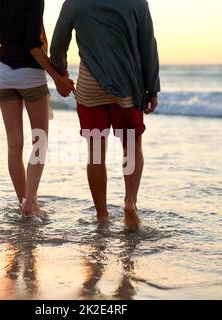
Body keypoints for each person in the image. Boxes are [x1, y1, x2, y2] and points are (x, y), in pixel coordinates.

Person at [50, 0, 160, 231]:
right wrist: (152, 88)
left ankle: (102, 216)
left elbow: (58, 44)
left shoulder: (74, 3)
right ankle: (130, 201)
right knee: (132, 146)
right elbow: (147, 47)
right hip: (128, 86)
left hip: (90, 85)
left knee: (96, 153)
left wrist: (60, 73)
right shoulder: (138, 3)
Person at [0, 0, 75, 217]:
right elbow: (33, 44)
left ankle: (23, 201)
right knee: (39, 141)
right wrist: (58, 78)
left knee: (14, 146)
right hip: (31, 76)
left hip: (4, 78)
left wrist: (6, 70)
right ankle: (30, 203)